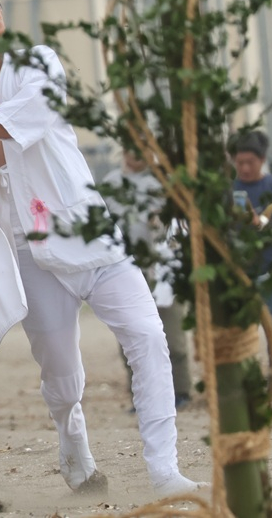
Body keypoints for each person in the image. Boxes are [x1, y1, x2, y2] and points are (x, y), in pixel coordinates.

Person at [0, 0, 203, 496]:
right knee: (62, 376)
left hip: (90, 233)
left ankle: (164, 471)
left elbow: (39, 110)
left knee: (148, 340)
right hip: (24, 250)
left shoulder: (38, 61)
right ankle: (74, 446)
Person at [101, 150, 193, 411]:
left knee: (172, 335)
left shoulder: (163, 182)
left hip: (163, 268)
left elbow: (182, 224)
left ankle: (180, 391)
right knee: (130, 338)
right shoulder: (110, 184)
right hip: (125, 270)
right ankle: (141, 397)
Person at [229, 130, 272, 402]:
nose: (245, 168)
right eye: (240, 162)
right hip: (240, 275)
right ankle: (247, 389)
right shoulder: (230, 190)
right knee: (240, 336)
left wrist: (262, 224)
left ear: (262, 160)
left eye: (250, 162)